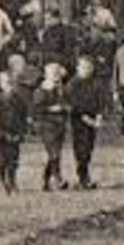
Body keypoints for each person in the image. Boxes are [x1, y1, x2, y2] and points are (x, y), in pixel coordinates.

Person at [68, 54, 107, 189]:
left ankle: (84, 176)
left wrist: (99, 116)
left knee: (89, 147)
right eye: (84, 67)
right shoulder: (73, 84)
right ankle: (83, 177)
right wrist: (86, 118)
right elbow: (72, 104)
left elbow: (101, 101)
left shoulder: (96, 83)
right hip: (79, 120)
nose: (86, 70)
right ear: (78, 68)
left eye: (89, 67)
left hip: (92, 118)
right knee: (81, 149)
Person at [31, 61, 70, 192]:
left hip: (59, 124)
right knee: (54, 152)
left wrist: (65, 107)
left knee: (54, 154)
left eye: (58, 73)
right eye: (53, 74)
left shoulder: (61, 89)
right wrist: (51, 108)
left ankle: (45, 180)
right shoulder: (41, 91)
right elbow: (36, 110)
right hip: (46, 125)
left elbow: (67, 103)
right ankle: (58, 178)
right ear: (46, 75)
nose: (56, 76)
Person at [0, 69, 28, 193]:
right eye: (7, 83)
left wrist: (20, 133)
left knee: (13, 161)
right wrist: (2, 134)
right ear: (1, 84)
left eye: (12, 83)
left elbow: (23, 118)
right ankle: (2, 180)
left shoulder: (19, 100)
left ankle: (12, 181)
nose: (10, 87)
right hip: (0, 137)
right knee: (1, 161)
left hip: (14, 134)